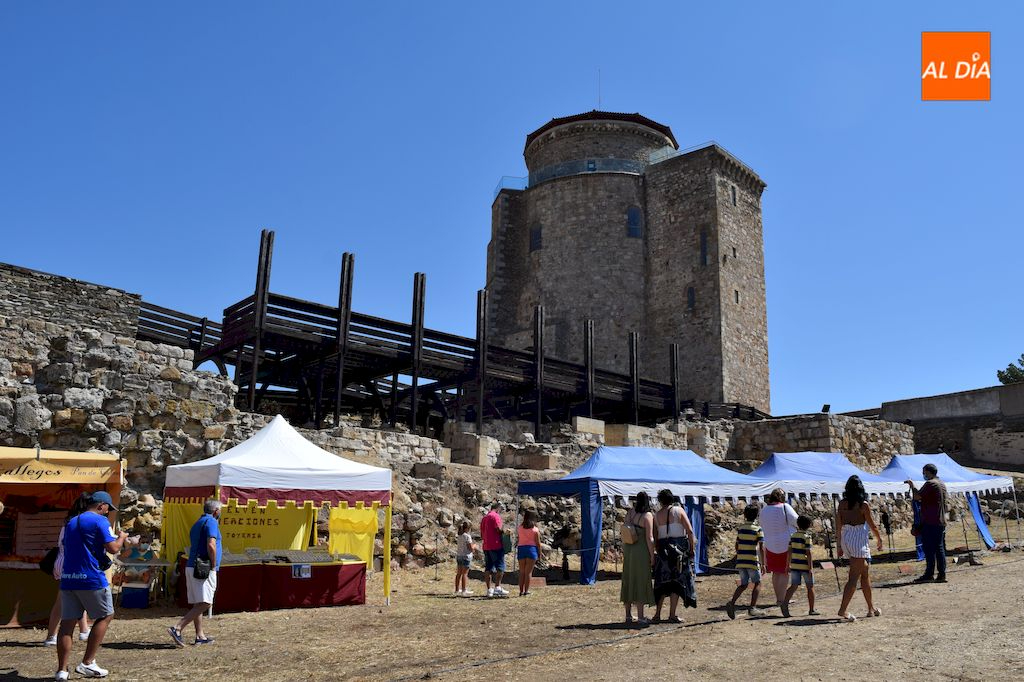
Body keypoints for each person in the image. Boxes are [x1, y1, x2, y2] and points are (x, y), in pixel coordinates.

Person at [55, 490, 128, 680]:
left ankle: (62, 671)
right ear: (101, 506)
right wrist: (121, 537)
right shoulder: (99, 521)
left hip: (69, 578)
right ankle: (87, 662)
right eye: (107, 509)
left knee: (67, 624)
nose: (107, 512)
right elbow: (113, 548)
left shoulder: (71, 521)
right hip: (90, 577)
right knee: (106, 615)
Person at [168, 499, 222, 647]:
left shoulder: (198, 522)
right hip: (203, 567)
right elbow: (211, 544)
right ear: (216, 511)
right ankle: (177, 628)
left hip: (193, 565)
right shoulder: (211, 522)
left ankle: (200, 635)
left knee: (199, 602)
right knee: (205, 602)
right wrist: (213, 564)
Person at [44, 494, 92, 647]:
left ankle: (83, 630)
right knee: (62, 600)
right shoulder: (78, 523)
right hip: (70, 564)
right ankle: (52, 635)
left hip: (64, 563)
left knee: (77, 596)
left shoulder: (69, 522)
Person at [836, 475, 883, 622]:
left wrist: (839, 545)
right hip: (858, 541)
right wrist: (879, 539)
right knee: (853, 578)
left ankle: (871, 608)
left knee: (865, 573)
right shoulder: (863, 505)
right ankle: (842, 610)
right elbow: (871, 524)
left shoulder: (842, 504)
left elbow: (838, 525)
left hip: (846, 537)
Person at [651, 489, 697, 623]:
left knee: (661, 583)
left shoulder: (657, 515)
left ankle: (657, 614)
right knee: (676, 583)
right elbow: (689, 531)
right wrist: (691, 549)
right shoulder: (679, 511)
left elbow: (655, 536)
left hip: (663, 552)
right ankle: (672, 614)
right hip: (679, 550)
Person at [907, 463, 948, 583]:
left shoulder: (930, 483)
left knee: (929, 549)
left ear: (928, 472)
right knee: (939, 548)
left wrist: (912, 486)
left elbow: (917, 496)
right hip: (940, 520)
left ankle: (929, 573)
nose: (923, 474)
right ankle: (941, 574)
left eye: (924, 472)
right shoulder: (941, 484)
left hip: (930, 520)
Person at [620, 491, 656, 625]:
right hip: (641, 551)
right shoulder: (647, 516)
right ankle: (641, 616)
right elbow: (650, 538)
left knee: (628, 580)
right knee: (641, 580)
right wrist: (652, 556)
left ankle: (628, 615)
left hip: (629, 549)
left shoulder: (630, 513)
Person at [759, 487, 798, 612]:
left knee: (776, 573)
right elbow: (797, 521)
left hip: (769, 544)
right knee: (784, 572)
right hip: (785, 543)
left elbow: (762, 524)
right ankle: (782, 599)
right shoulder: (785, 507)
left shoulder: (764, 510)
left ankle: (779, 598)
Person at [725, 503, 767, 619]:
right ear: (757, 515)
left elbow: (736, 545)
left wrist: (740, 554)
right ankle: (752, 608)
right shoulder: (758, 529)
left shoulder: (741, 529)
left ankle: (732, 603)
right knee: (757, 583)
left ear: (744, 515)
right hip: (752, 561)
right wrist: (763, 564)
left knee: (743, 584)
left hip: (741, 560)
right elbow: (762, 547)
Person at [782, 515, 819, 617]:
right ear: (808, 526)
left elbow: (789, 551)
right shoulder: (807, 537)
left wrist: (787, 564)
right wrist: (810, 567)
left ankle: (784, 603)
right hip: (805, 566)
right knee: (810, 586)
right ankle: (811, 609)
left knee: (794, 585)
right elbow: (808, 553)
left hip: (794, 564)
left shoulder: (793, 536)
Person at [480, 501, 508, 597]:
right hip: (496, 545)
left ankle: (489, 589)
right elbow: (498, 529)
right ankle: (497, 587)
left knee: (488, 568)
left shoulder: (485, 518)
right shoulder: (495, 516)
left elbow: (481, 533)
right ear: (498, 508)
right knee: (500, 567)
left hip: (486, 545)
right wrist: (504, 531)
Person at [517, 509, 541, 596]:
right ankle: (526, 591)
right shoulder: (535, 530)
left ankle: (520, 591)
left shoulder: (520, 528)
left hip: (521, 549)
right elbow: (538, 543)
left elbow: (518, 538)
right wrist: (540, 554)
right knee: (528, 572)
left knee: (522, 572)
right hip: (531, 549)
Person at [454, 521, 475, 596]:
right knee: (465, 574)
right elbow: (470, 548)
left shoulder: (459, 535)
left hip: (459, 555)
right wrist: (474, 547)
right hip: (466, 556)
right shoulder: (467, 536)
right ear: (467, 528)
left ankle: (457, 589)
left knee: (459, 573)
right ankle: (464, 590)